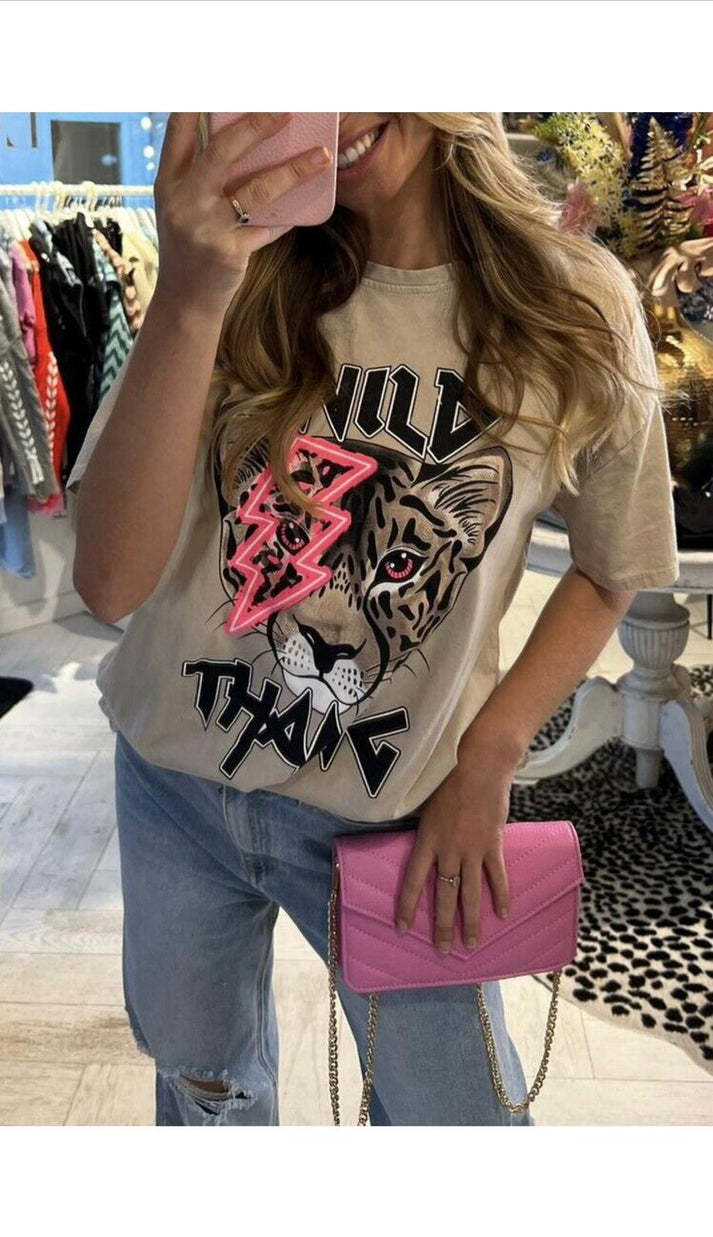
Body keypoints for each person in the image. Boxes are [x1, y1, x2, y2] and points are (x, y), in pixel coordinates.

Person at [67, 112, 680, 1126]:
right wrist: (188, 295)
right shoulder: (233, 272)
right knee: (204, 1093)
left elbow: (612, 568)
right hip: (174, 786)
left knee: (457, 1123)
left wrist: (490, 756)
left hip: (400, 811)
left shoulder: (570, 301)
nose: (339, 110)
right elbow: (109, 584)